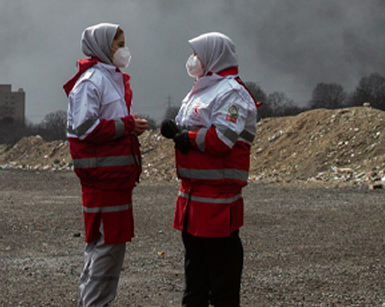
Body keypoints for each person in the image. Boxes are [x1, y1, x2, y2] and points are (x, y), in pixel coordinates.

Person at [160, 31, 259, 307]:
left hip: (218, 204)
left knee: (223, 287)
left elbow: (223, 138)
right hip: (192, 201)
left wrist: (186, 138)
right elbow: (189, 129)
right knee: (195, 286)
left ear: (214, 57)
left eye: (198, 55)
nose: (193, 60)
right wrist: (174, 131)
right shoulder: (200, 90)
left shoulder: (232, 92)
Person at [64, 23, 148, 307]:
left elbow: (106, 125)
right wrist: (127, 125)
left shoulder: (112, 80)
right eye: (118, 44)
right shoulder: (91, 82)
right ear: (101, 46)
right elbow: (85, 128)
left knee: (107, 253)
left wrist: (129, 127)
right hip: (103, 184)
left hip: (116, 183)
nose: (123, 50)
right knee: (104, 253)